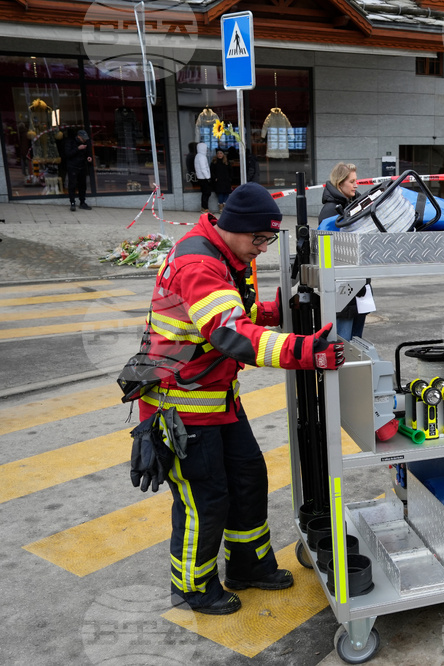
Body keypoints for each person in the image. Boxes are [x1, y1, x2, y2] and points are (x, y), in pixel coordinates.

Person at [136, 182, 345, 615]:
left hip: (216, 399)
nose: (264, 248)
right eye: (260, 238)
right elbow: (230, 334)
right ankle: (193, 587)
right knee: (205, 499)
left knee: (248, 480)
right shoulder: (198, 263)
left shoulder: (228, 255)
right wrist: (305, 352)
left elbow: (234, 314)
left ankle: (249, 566)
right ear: (234, 227)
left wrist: (277, 310)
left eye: (269, 239)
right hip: (181, 407)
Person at [318, 162, 373, 340]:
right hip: (343, 287)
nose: (356, 185)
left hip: (359, 284)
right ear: (340, 183)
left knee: (357, 343)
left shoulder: (354, 206)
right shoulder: (330, 211)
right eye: (352, 181)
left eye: (357, 181)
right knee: (344, 343)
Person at [65, 129, 93, 211]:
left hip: (82, 166)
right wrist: (78, 148)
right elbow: (68, 154)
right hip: (73, 166)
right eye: (83, 138)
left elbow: (88, 152)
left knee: (82, 185)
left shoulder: (86, 142)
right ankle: (72, 202)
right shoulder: (70, 142)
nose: (84, 140)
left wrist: (89, 157)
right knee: (72, 185)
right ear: (78, 137)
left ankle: (82, 202)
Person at [211, 148, 232, 214]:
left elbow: (231, 171)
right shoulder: (214, 162)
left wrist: (230, 179)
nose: (219, 155)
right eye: (218, 153)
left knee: (226, 193)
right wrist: (215, 178)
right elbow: (212, 172)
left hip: (226, 181)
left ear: (223, 154)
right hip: (219, 181)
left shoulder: (227, 162)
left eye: (221, 153)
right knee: (221, 194)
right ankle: (221, 208)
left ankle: (225, 207)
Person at [195, 142, 212, 214]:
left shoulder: (198, 156)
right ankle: (205, 208)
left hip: (200, 177)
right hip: (204, 178)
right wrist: (208, 177)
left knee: (204, 193)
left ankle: (203, 207)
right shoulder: (202, 157)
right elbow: (203, 168)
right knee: (207, 193)